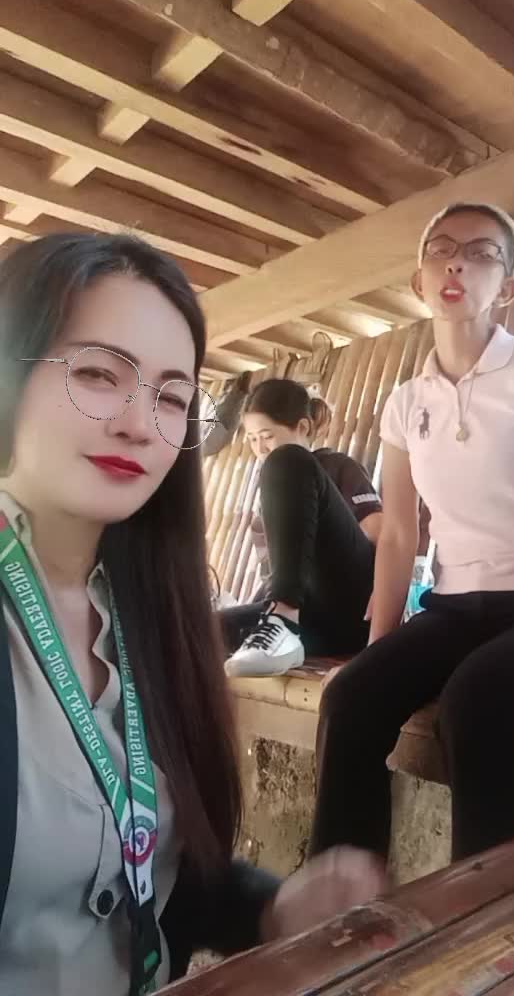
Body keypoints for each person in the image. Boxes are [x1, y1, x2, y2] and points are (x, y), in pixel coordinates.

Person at [0, 233, 388, 996]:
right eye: (98, 374)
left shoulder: (151, 619)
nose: (141, 424)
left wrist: (271, 908)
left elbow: (148, 868)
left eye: (173, 398)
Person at [309, 202, 514, 866]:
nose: (457, 264)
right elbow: (400, 534)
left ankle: (492, 911)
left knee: (474, 703)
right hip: (456, 606)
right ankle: (342, 899)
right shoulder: (405, 403)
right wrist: (379, 651)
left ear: (507, 288)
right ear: (419, 281)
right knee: (349, 699)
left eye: (482, 254)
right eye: (442, 251)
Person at [222, 379, 382, 677]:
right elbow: (280, 572)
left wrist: (386, 596)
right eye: (252, 439)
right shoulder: (271, 492)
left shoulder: (336, 466)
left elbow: (378, 533)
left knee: (287, 459)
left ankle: (282, 619)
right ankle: (278, 626)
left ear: (303, 428)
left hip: (351, 606)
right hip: (311, 623)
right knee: (200, 630)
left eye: (267, 436)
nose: (259, 448)